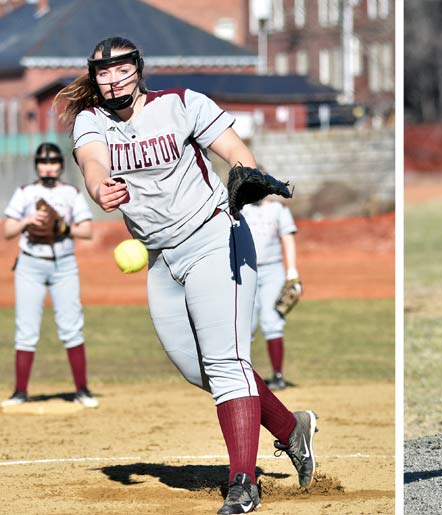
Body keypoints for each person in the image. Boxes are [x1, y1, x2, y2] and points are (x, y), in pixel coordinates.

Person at [54, 36, 317, 514]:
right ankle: (291, 428)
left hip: (215, 238)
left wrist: (246, 173)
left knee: (224, 363)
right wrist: (98, 188)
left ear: (138, 69)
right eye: (102, 72)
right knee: (201, 370)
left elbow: (238, 152)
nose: (112, 80)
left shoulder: (181, 104)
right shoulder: (91, 122)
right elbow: (93, 163)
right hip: (161, 257)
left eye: (120, 69)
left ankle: (242, 484)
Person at [2, 142, 99, 409]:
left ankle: (82, 390)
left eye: (54, 162)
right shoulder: (25, 193)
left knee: (71, 328)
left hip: (63, 265)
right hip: (30, 265)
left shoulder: (71, 193)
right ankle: (20, 391)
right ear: (37, 165)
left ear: (60, 165)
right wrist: (27, 222)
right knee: (26, 330)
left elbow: (87, 230)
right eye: (44, 162)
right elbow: (8, 229)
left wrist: (62, 226)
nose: (49, 167)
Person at [242, 198, 301, 390]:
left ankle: (277, 376)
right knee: (245, 324)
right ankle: (242, 377)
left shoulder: (278, 209)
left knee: (272, 320)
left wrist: (292, 270)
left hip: (272, 268)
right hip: (244, 267)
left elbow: (288, 238)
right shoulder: (239, 207)